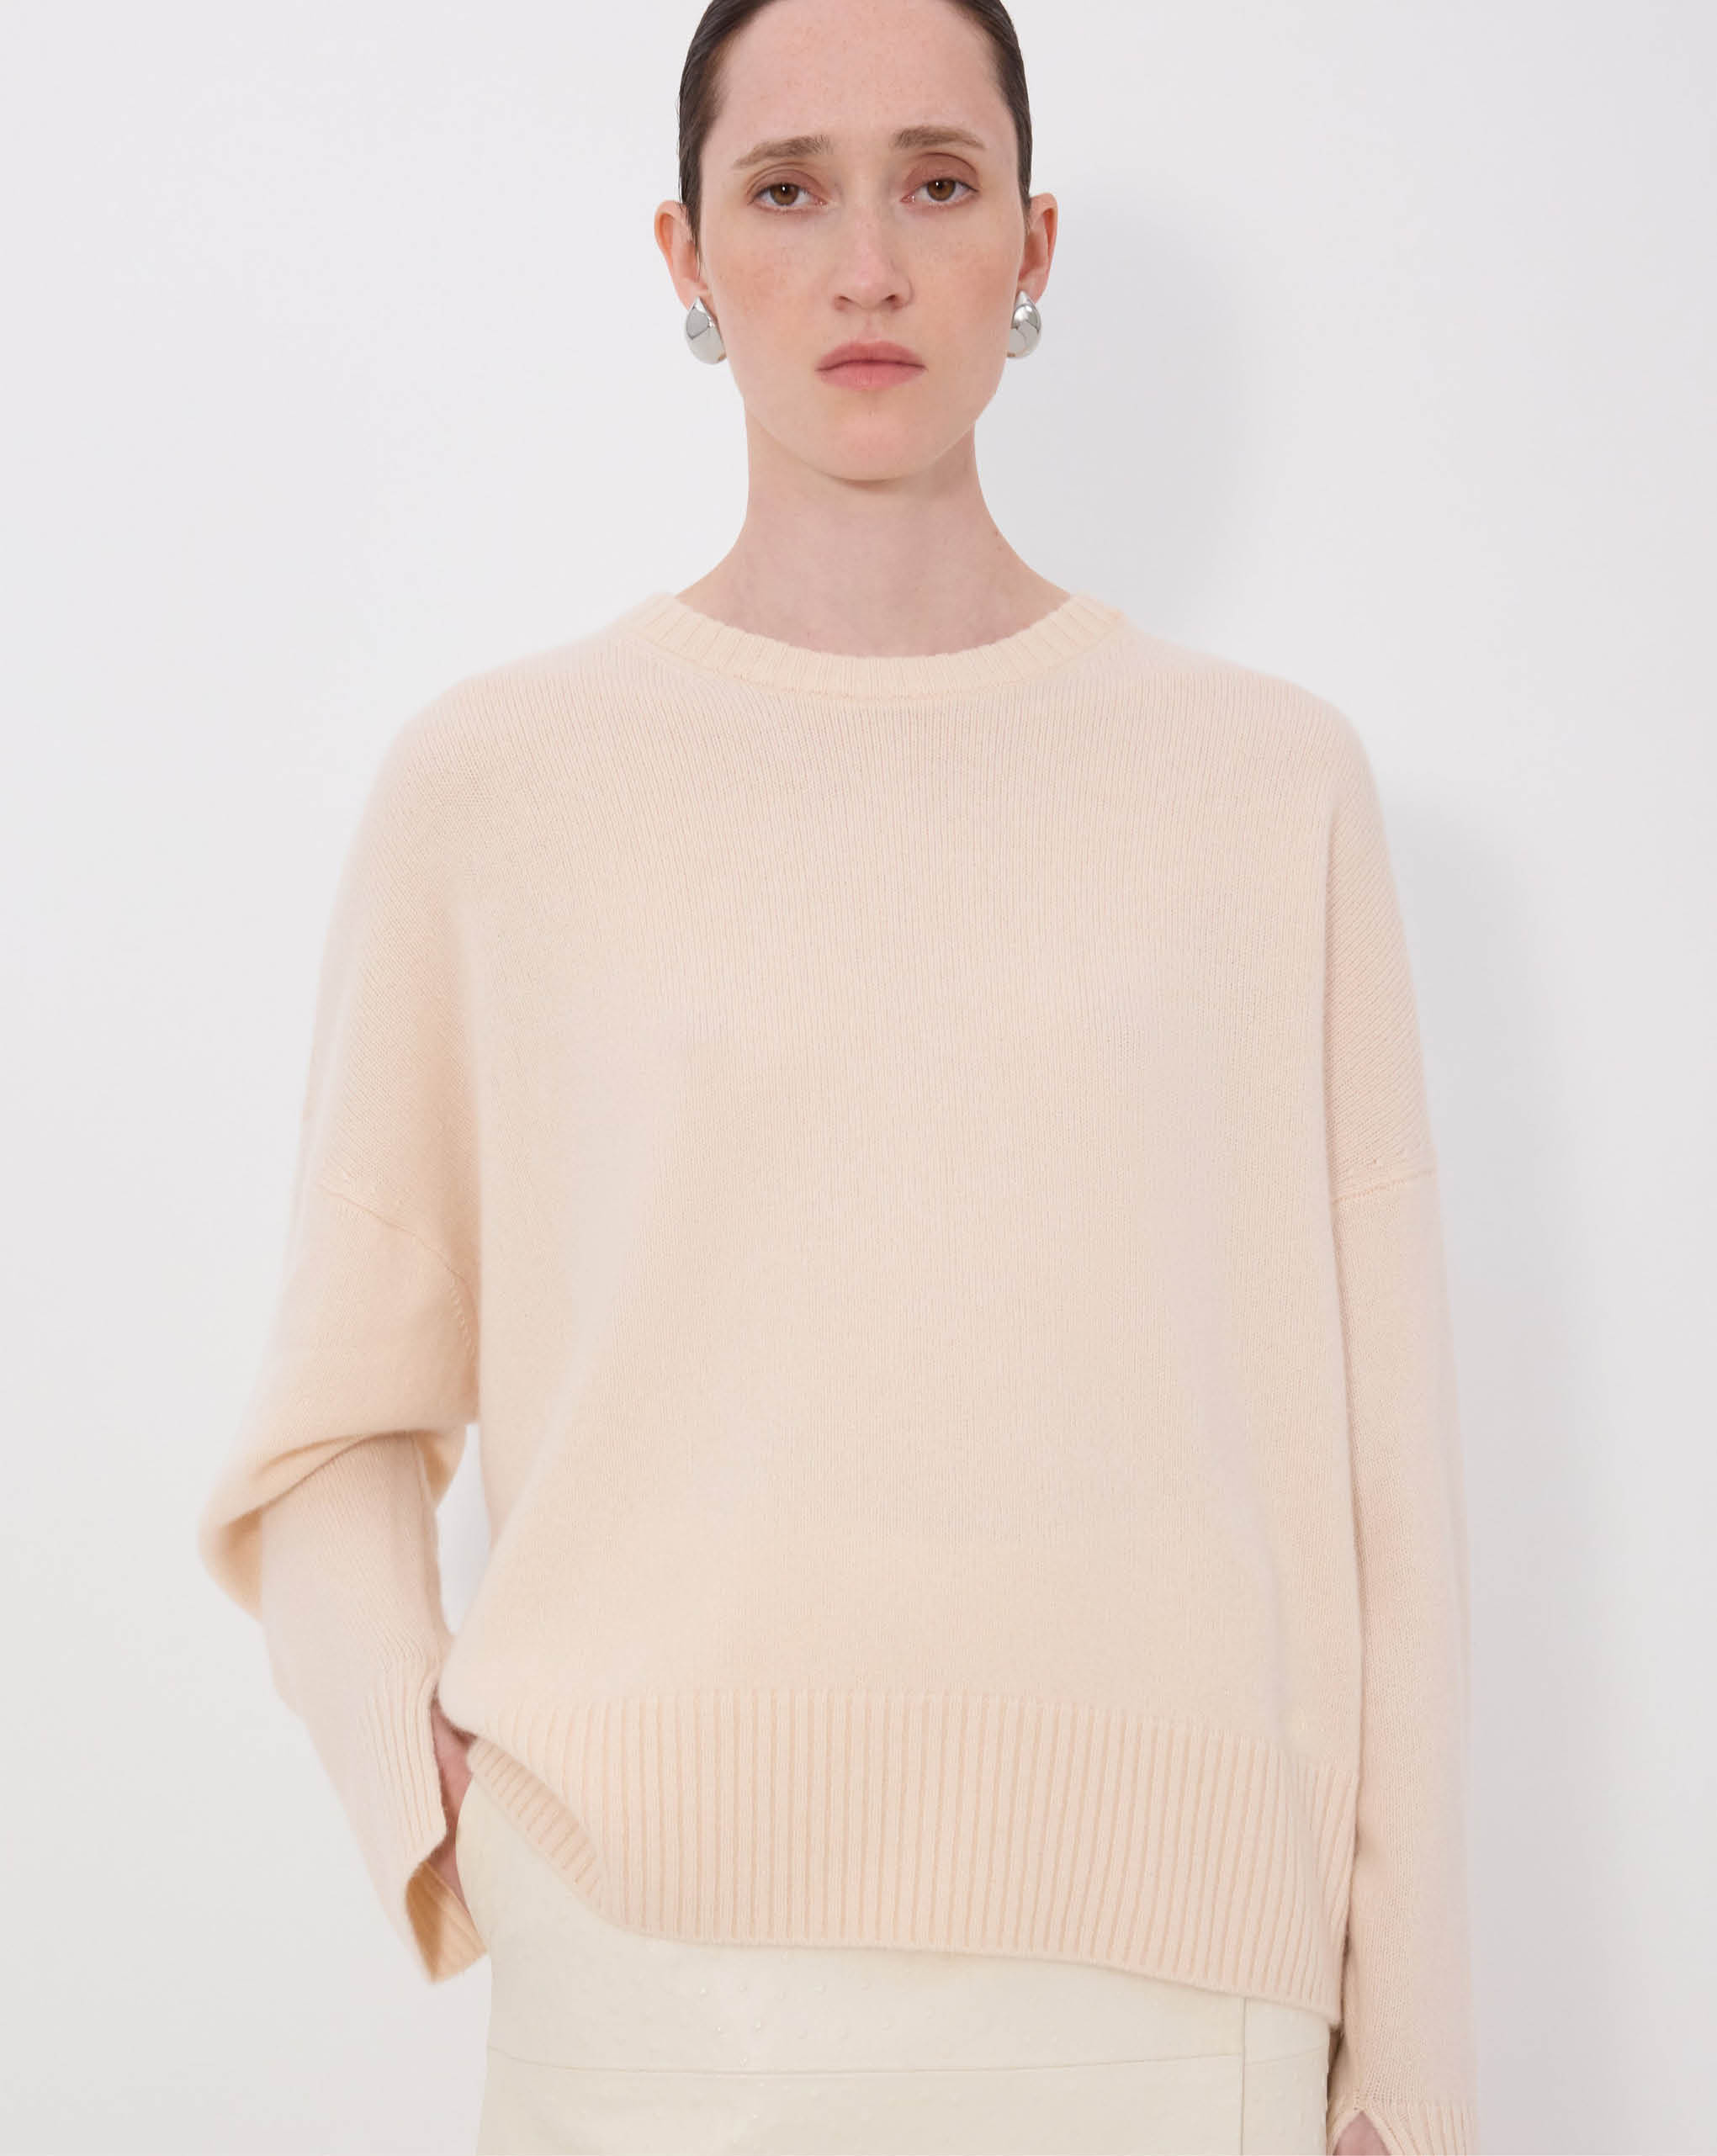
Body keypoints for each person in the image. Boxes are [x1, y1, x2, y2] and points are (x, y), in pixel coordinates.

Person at [195, 2, 1478, 2151]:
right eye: (787, 191)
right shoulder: (497, 790)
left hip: (1175, 2013)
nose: (866, 265)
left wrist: (1411, 2071)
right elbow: (330, 1409)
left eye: (936, 184)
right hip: (652, 2003)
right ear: (686, 254)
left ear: (1031, 243)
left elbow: (1391, 1491)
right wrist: (429, 1789)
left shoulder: (1268, 789)